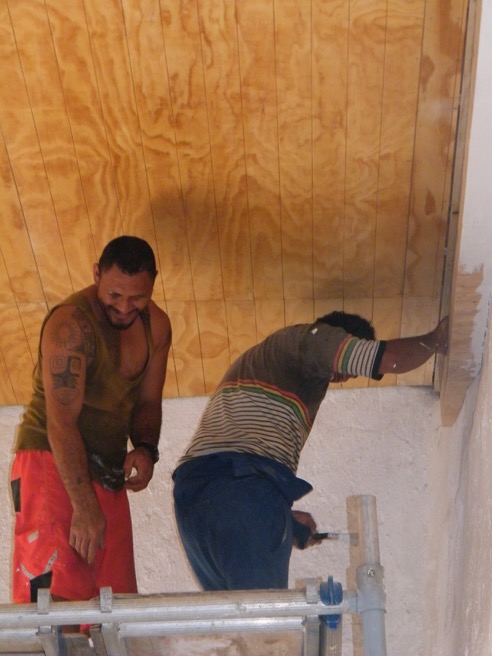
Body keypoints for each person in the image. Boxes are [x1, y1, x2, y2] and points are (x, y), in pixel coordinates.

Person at [173, 311, 448, 591]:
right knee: (263, 614)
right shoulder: (311, 340)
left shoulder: (274, 363)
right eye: (349, 368)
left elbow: (227, 502)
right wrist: (437, 339)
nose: (344, 378)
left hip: (195, 501)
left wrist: (283, 519)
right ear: (339, 337)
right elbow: (389, 358)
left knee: (239, 615)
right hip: (241, 486)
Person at [10, 236, 172, 604]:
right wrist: (83, 506)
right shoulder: (70, 326)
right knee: (56, 601)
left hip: (108, 470)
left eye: (137, 298)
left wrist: (146, 448)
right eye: (114, 294)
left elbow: (148, 401)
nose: (124, 307)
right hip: (51, 459)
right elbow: (61, 423)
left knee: (117, 605)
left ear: (153, 284)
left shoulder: (158, 326)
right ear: (97, 274)